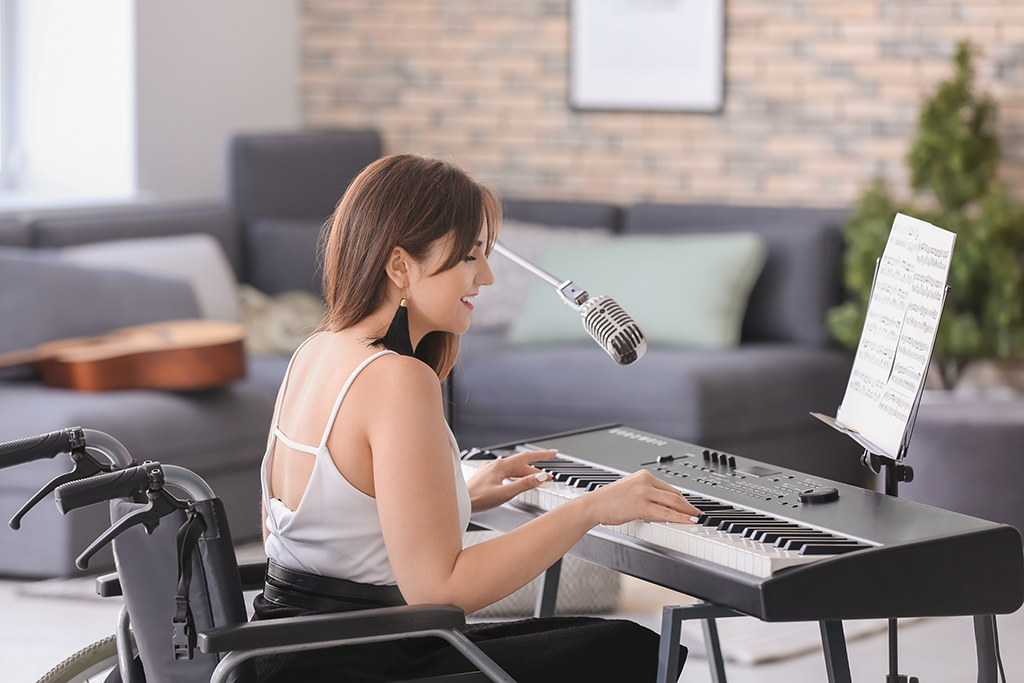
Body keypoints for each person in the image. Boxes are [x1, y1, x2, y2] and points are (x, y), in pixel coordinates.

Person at [253, 153, 701, 682]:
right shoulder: (397, 378)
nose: (486, 276)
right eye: (469, 257)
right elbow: (441, 591)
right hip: (360, 661)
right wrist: (591, 509)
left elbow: (338, 521)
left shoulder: (317, 349)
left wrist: (463, 493)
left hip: (281, 650)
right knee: (633, 649)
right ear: (400, 267)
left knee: (603, 641)